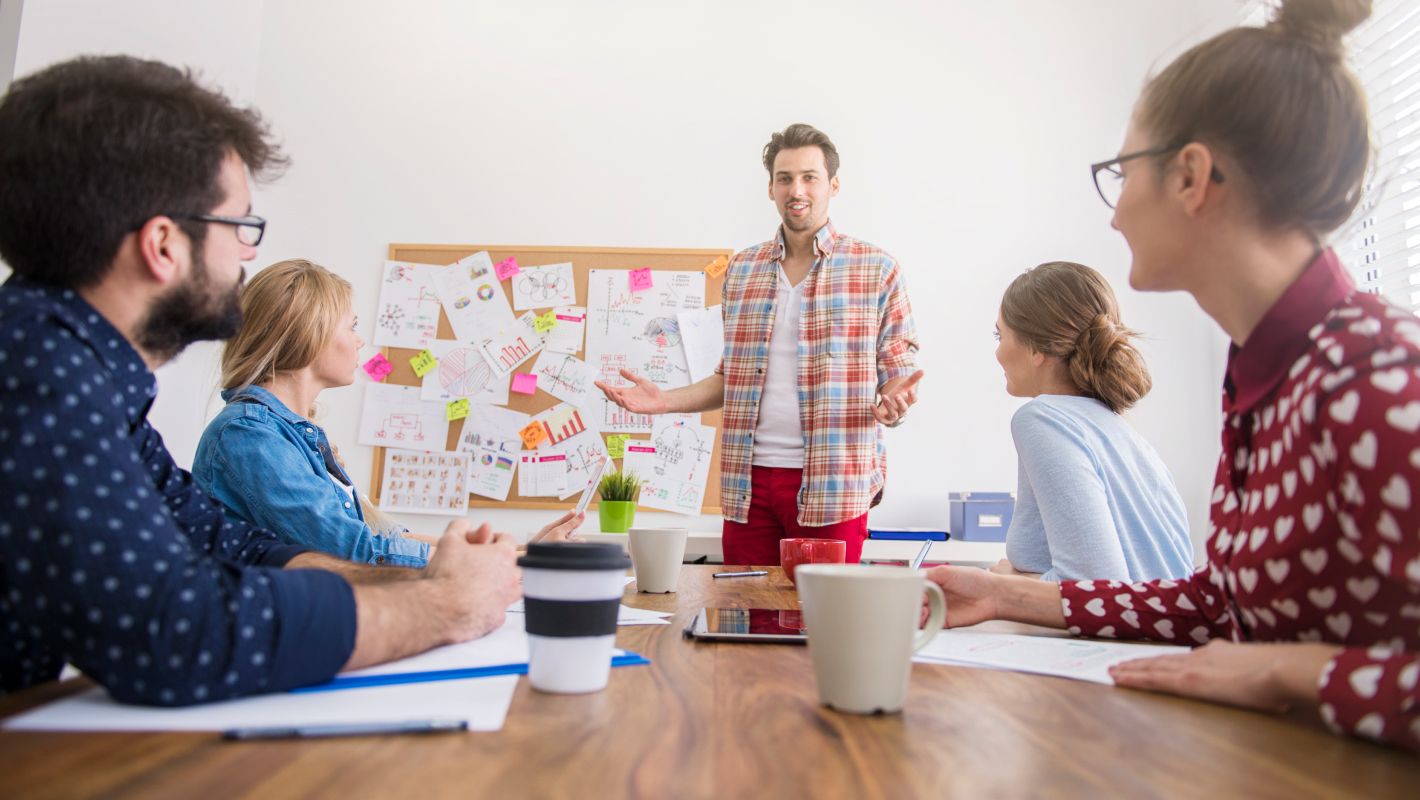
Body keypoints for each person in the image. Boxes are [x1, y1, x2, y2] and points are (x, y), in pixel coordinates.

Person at [927, 0, 1420, 752]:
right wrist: (1001, 594)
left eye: (1121, 173)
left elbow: (1264, 648)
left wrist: (1285, 672)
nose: (1116, 213)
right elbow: (1218, 605)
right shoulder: (1266, 376)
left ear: (1190, 176)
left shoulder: (1374, 376)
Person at [0, 55, 520, 706]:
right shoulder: (36, 373)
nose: (249, 254)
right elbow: (177, 630)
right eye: (241, 226)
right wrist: (445, 604)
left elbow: (229, 541)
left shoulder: (81, 375)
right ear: (163, 245)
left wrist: (431, 580)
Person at [597, 124, 922, 566]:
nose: (796, 189)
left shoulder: (876, 268)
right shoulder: (742, 270)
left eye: (809, 177)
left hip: (834, 482)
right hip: (748, 485)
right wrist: (664, 401)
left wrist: (894, 403)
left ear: (833, 185)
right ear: (771, 188)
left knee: (822, 609)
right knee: (744, 604)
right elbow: (733, 379)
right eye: (785, 178)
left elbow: (898, 372)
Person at [191, 259, 584, 569]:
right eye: (352, 327)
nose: (360, 340)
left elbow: (385, 538)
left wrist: (524, 553)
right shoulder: (249, 435)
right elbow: (358, 552)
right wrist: (511, 561)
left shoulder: (289, 434)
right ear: (309, 333)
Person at [992, 261, 1193, 581]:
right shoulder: (1123, 431)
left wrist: (1009, 582)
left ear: (1036, 348)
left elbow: (1095, 585)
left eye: (1000, 335)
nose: (998, 352)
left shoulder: (1043, 418)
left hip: (1117, 617)